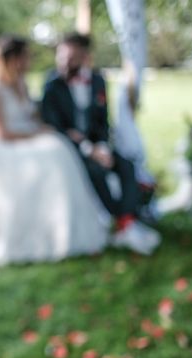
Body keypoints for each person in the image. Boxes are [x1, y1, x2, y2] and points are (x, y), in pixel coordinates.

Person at [0, 35, 109, 265]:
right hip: (1, 144)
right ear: (13, 59)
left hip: (25, 135)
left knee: (59, 147)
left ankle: (64, 228)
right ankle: (44, 233)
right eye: (26, 57)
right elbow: (1, 133)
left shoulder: (20, 82)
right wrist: (36, 133)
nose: (30, 61)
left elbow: (31, 115)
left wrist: (44, 127)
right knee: (53, 154)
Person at [41, 32, 161, 255]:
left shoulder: (97, 80)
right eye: (62, 57)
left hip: (97, 145)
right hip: (70, 150)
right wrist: (89, 149)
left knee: (126, 165)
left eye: (72, 57)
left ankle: (125, 220)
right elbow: (56, 127)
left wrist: (103, 147)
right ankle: (121, 220)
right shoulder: (51, 85)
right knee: (95, 171)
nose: (66, 62)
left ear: (85, 56)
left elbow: (103, 122)